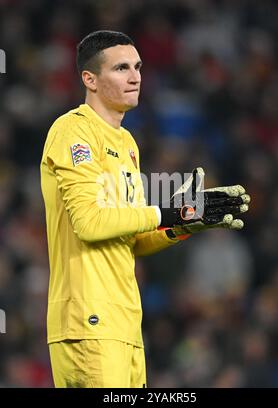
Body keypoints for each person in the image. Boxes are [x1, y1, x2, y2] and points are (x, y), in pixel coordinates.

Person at [40, 30, 250, 388]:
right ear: (89, 79)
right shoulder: (72, 131)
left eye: (137, 66)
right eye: (121, 68)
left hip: (125, 326)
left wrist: (187, 223)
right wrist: (168, 212)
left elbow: (133, 238)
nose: (135, 76)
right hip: (88, 321)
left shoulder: (126, 143)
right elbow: (90, 223)